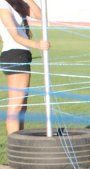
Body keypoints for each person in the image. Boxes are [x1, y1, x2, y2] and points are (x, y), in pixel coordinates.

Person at [0, 0, 50, 135]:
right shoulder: (3, 4)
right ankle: (14, 143)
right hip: (14, 54)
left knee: (21, 107)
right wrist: (37, 45)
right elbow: (14, 35)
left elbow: (41, 16)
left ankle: (19, 141)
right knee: (16, 106)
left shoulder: (16, 4)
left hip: (22, 54)